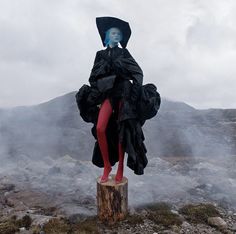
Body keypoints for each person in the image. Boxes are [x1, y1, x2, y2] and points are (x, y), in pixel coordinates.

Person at [75, 16, 161, 184]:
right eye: (114, 33)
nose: (117, 36)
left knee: (123, 131)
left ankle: (121, 166)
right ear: (107, 36)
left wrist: (134, 93)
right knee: (100, 128)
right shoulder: (100, 55)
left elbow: (138, 73)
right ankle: (107, 165)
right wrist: (98, 91)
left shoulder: (124, 53)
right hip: (107, 95)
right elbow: (93, 76)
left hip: (123, 94)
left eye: (119, 34)